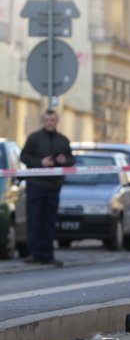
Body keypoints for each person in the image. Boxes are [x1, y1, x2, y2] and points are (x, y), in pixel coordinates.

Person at [20, 109, 75, 266]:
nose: (49, 123)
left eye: (52, 120)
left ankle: (48, 254)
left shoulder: (63, 140)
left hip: (53, 185)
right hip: (36, 184)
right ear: (43, 121)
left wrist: (64, 160)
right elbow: (24, 156)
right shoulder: (34, 138)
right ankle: (34, 253)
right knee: (34, 219)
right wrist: (41, 163)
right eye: (47, 120)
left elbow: (72, 160)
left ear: (57, 121)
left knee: (49, 221)